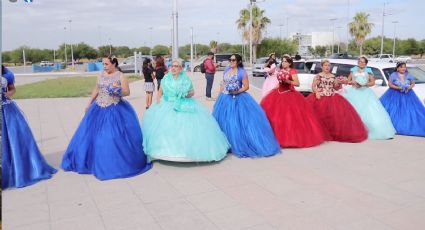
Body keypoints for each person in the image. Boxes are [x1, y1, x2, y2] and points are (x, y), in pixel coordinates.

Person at [61, 55, 152, 180]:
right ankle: (90, 161)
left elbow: (127, 92)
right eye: (103, 64)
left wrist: (117, 91)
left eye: (106, 64)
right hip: (98, 108)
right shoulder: (101, 74)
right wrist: (89, 103)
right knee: (90, 135)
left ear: (114, 64)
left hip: (115, 109)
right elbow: (96, 89)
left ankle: (111, 163)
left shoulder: (121, 76)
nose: (104, 66)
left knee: (111, 136)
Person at [142, 60, 229, 162]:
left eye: (176, 66)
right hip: (166, 104)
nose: (173, 68)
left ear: (181, 68)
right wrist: (158, 102)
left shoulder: (185, 78)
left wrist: (184, 94)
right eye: (172, 66)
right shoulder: (166, 78)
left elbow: (192, 92)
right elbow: (160, 92)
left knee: (186, 129)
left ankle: (184, 153)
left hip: (183, 104)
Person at [213, 54, 280, 157]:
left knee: (235, 122)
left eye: (233, 60)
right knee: (224, 121)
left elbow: (246, 86)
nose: (231, 61)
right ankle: (225, 144)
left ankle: (237, 144)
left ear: (238, 61)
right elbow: (223, 84)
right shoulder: (226, 69)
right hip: (224, 98)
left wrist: (237, 91)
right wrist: (219, 97)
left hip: (238, 98)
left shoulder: (241, 72)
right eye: (230, 59)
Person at [2, 65, 57, 189]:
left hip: (6, 110)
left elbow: (12, 89)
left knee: (15, 140)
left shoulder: (5, 72)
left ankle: (19, 170)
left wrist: (7, 94)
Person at [260, 55, 326, 148]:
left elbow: (297, 83)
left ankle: (287, 139)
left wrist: (288, 81)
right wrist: (275, 88)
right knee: (275, 117)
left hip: (289, 94)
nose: (283, 63)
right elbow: (279, 82)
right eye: (282, 61)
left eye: (285, 61)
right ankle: (274, 137)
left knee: (289, 118)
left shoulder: (292, 71)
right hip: (278, 93)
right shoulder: (280, 71)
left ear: (290, 63)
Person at [306, 60, 368, 142]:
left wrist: (339, 83)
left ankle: (331, 134)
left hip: (332, 97)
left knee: (332, 117)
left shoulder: (333, 76)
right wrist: (316, 92)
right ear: (322, 67)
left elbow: (335, 88)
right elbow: (314, 86)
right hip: (320, 97)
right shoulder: (318, 76)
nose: (327, 67)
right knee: (320, 116)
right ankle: (320, 133)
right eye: (325, 65)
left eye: (328, 65)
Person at [343, 56, 396, 139]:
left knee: (370, 112)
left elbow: (372, 82)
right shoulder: (353, 70)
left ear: (366, 63)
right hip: (353, 93)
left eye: (363, 62)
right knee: (353, 111)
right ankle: (353, 130)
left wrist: (364, 84)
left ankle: (371, 130)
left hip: (365, 92)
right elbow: (348, 81)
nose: (361, 63)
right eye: (360, 61)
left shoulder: (368, 71)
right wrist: (353, 82)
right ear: (358, 62)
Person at [380, 62, 425, 137]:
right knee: (394, 110)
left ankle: (408, 124)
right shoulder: (393, 75)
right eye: (401, 67)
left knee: (410, 110)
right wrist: (398, 88)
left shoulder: (409, 75)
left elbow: (413, 83)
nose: (403, 68)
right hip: (394, 94)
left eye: (404, 67)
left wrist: (409, 88)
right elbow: (390, 84)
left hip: (408, 94)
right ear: (397, 68)